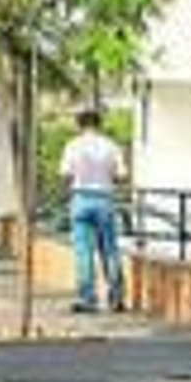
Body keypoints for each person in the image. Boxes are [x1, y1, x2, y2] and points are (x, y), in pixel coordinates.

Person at [59, 108, 126, 313]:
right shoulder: (111, 145)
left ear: (80, 125)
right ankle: (115, 298)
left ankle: (87, 299)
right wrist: (107, 178)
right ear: (99, 124)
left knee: (83, 252)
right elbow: (122, 175)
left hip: (80, 198)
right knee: (110, 250)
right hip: (105, 198)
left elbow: (65, 174)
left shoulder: (73, 145)